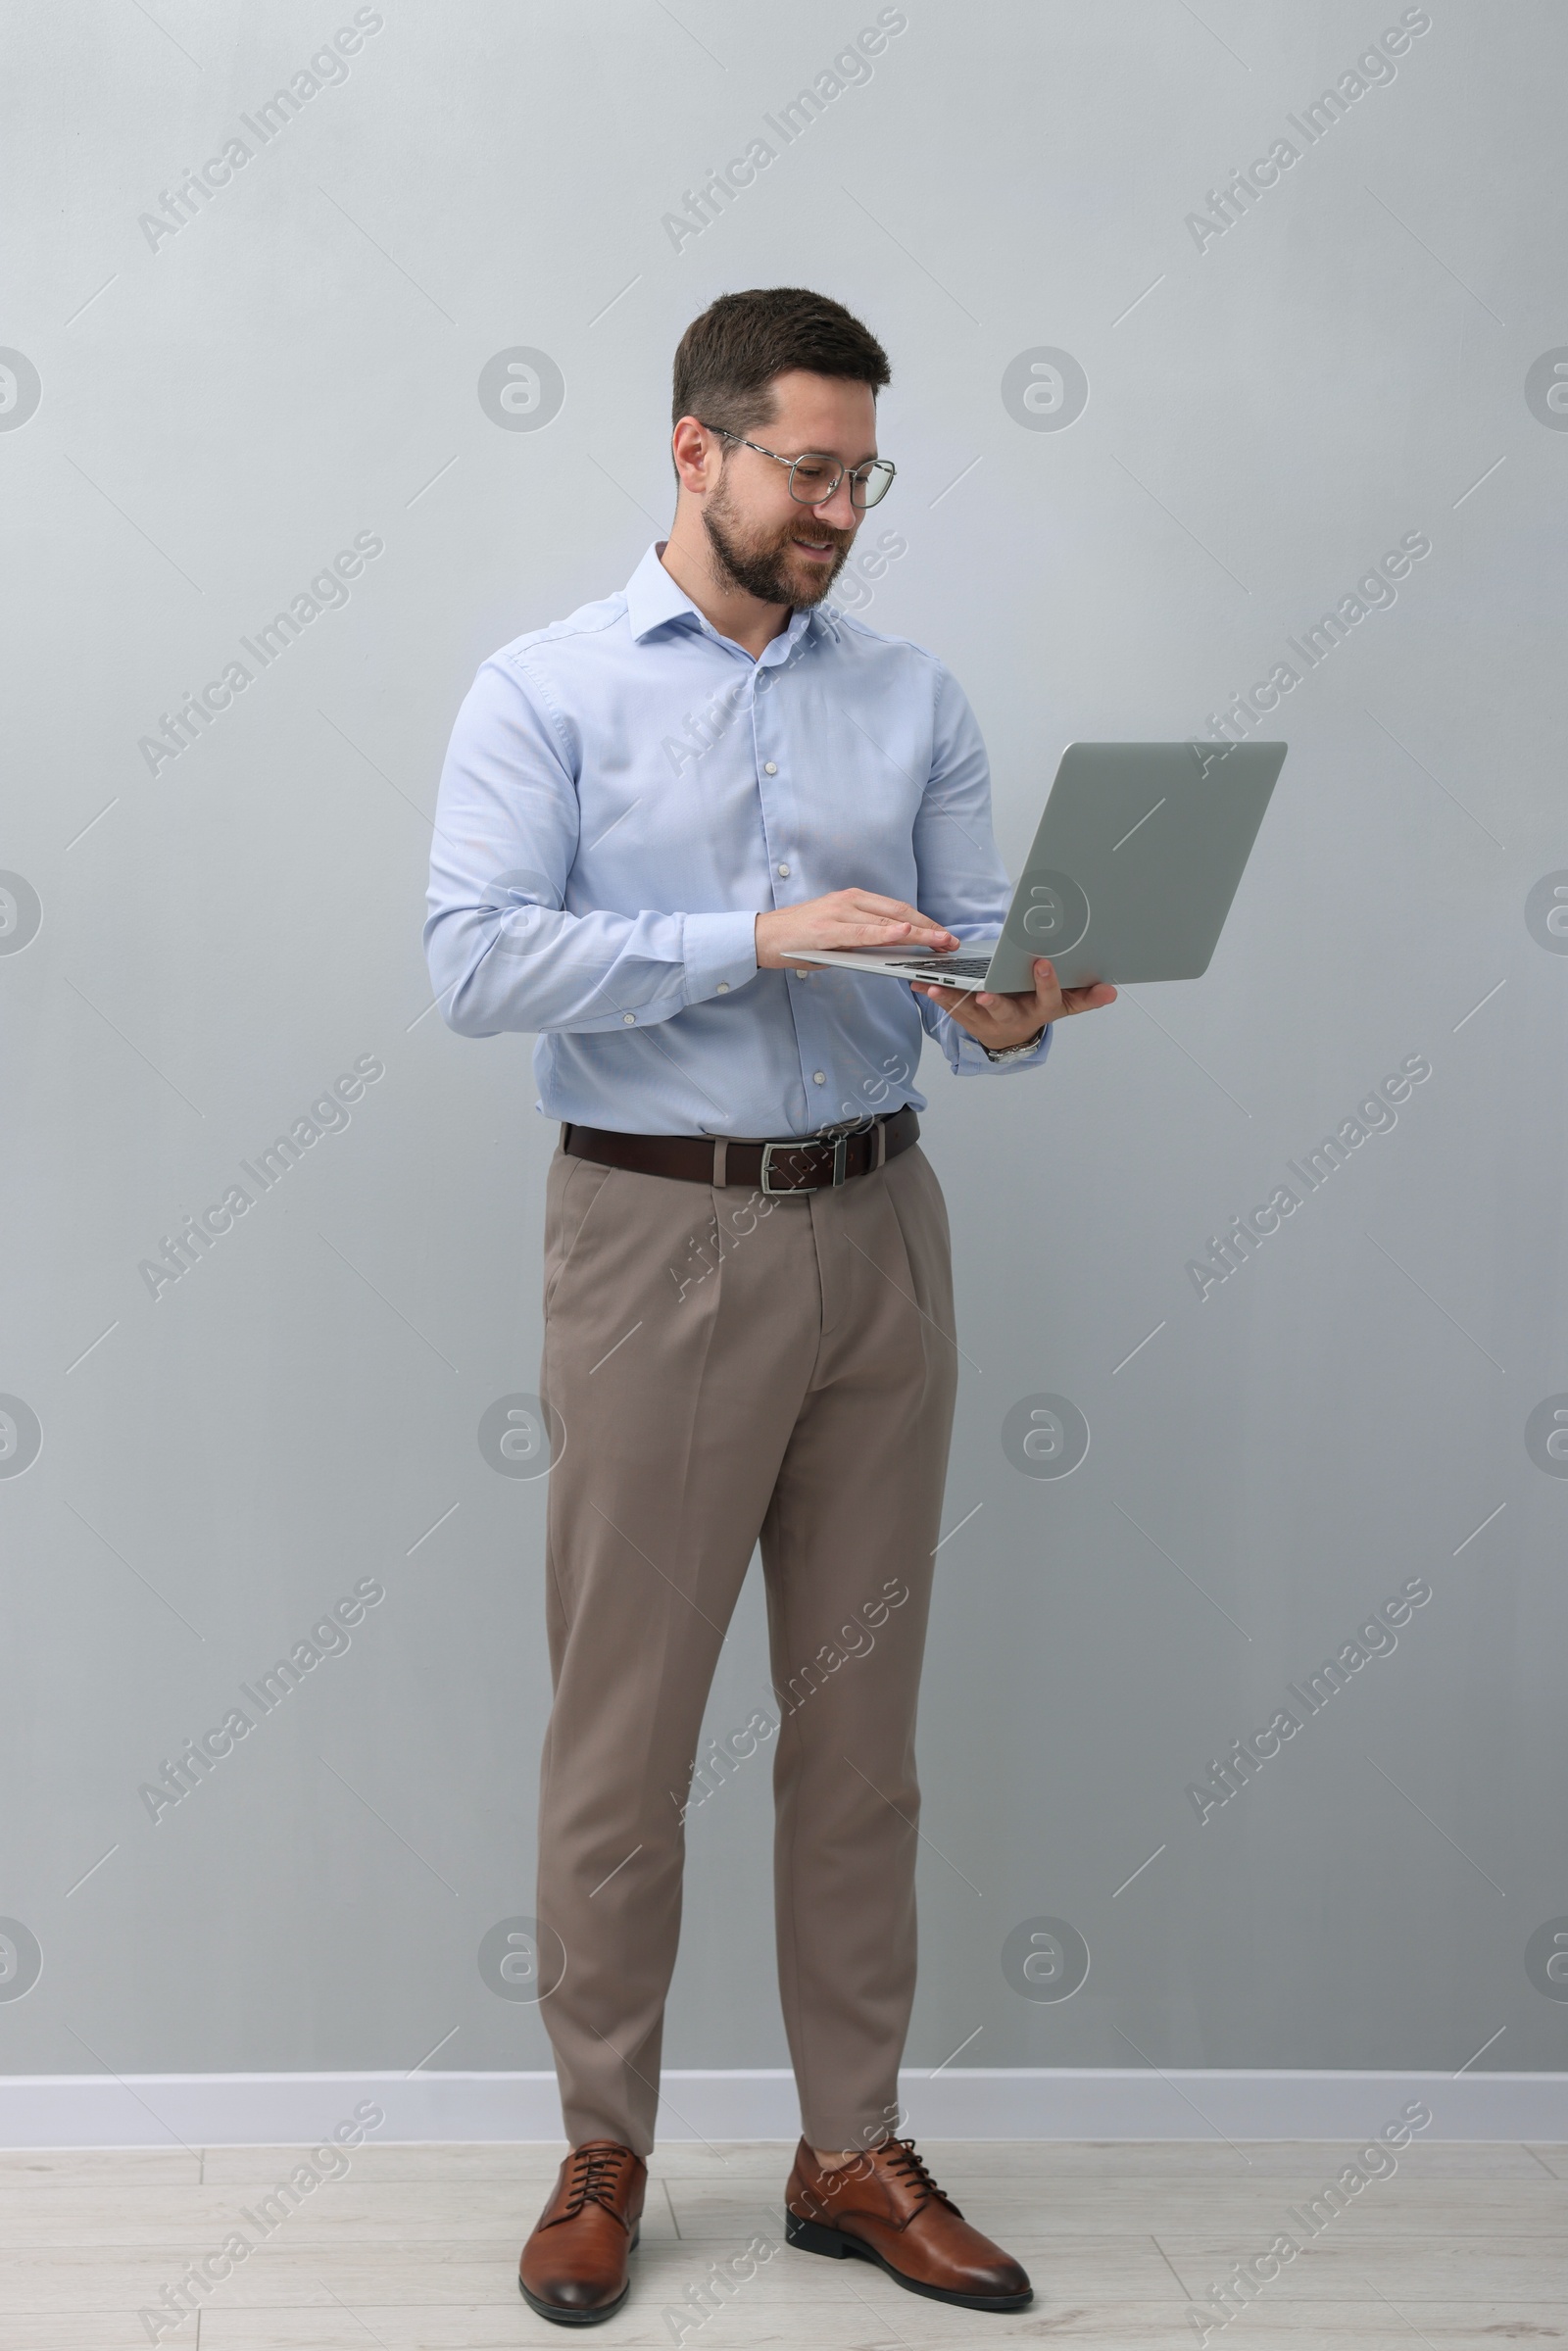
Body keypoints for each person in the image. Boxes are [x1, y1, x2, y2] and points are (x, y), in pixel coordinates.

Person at [424, 285, 1115, 2326]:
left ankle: (849, 2145)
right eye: (806, 468)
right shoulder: (542, 689)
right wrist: (747, 937)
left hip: (879, 1239)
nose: (836, 507)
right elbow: (473, 962)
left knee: (859, 1733)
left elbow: (962, 967)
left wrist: (1013, 1008)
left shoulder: (909, 698)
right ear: (692, 449)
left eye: (858, 473)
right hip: (656, 1244)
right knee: (624, 1740)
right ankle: (602, 2149)